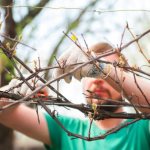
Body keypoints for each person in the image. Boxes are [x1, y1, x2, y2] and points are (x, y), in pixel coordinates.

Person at [0, 42, 150, 150]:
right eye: (90, 71)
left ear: (126, 83)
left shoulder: (143, 128)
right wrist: (13, 92)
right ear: (81, 81)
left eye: (111, 71)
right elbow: (3, 113)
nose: (99, 79)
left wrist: (104, 70)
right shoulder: (66, 130)